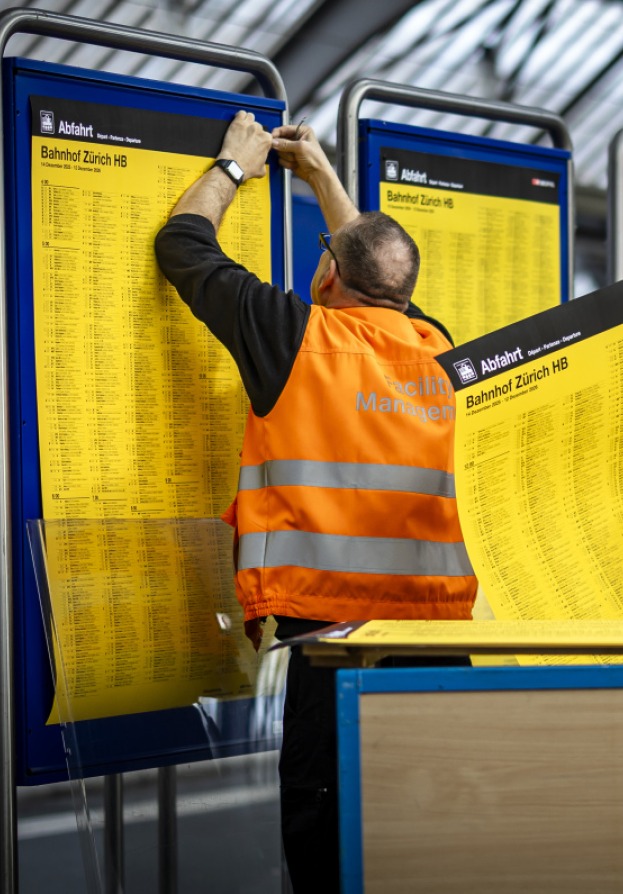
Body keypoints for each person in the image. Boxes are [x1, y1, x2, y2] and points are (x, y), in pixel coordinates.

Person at [155, 111, 477, 890]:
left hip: (328, 644)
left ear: (326, 274)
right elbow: (377, 274)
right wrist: (325, 180)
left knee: (329, 840)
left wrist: (234, 166)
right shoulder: (446, 355)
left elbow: (183, 248)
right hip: (439, 646)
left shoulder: (295, 335)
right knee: (429, 836)